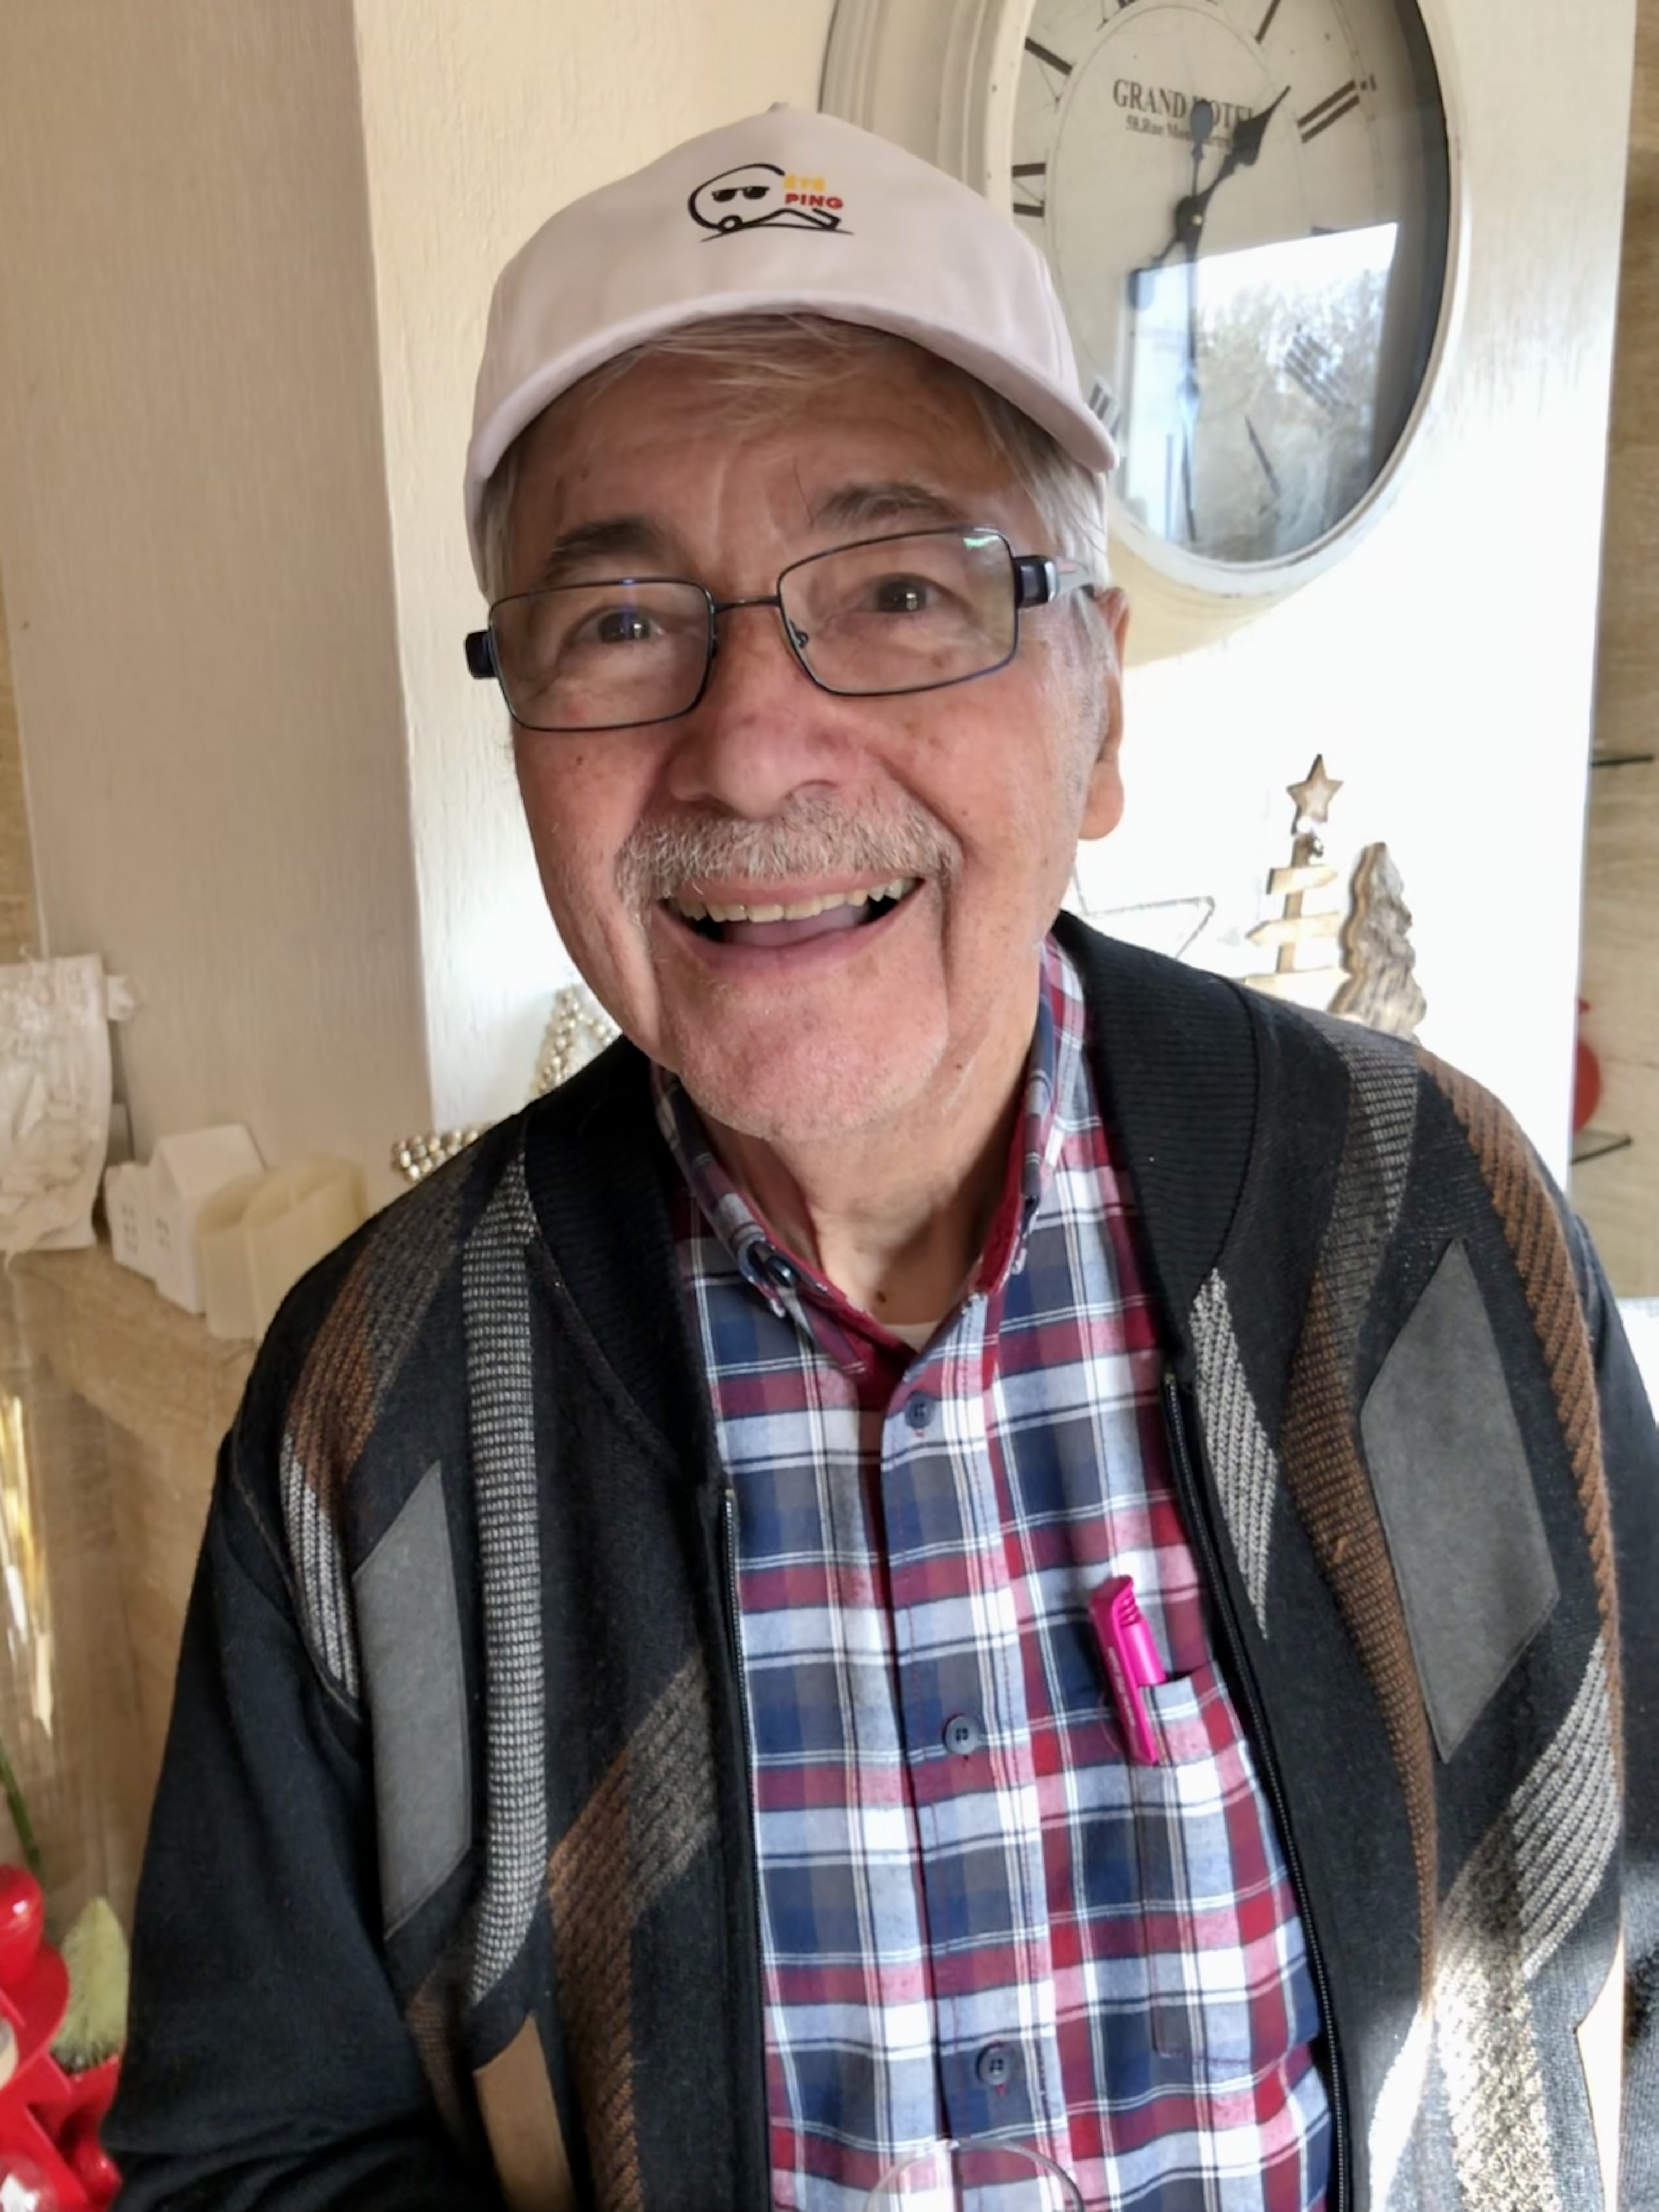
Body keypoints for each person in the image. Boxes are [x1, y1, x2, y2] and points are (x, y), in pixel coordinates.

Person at [104, 106, 1656, 2212]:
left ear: (1100, 714)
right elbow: (254, 2159)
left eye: (905, 591)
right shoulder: (376, 1399)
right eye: (621, 623)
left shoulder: (1430, 1223)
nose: (754, 748)